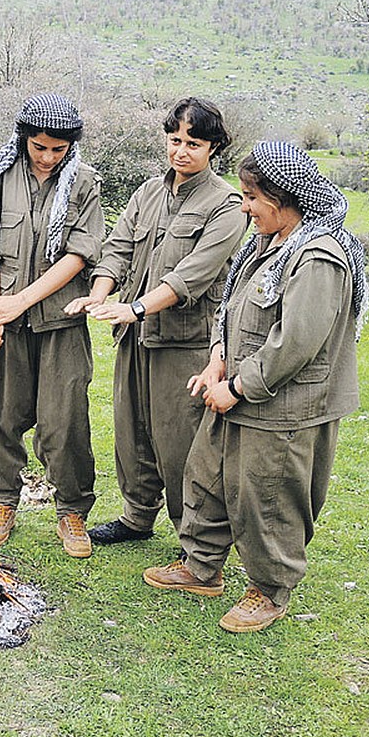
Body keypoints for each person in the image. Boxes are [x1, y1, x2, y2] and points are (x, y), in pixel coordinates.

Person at [143, 142, 367, 632]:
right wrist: (217, 362)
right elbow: (232, 308)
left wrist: (240, 388)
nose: (243, 206)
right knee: (207, 476)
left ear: (284, 198)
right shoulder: (266, 242)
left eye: (251, 197)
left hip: (284, 405)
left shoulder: (318, 256)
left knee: (269, 496)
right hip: (236, 391)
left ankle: (269, 590)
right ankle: (201, 568)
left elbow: (297, 343)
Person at [65, 97, 245, 548]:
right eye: (175, 139)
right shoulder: (147, 192)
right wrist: (100, 294)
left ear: (214, 148)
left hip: (184, 343)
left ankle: (196, 542)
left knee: (181, 444)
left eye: (194, 143)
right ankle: (136, 517)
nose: (181, 151)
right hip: (134, 336)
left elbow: (194, 275)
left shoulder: (226, 204)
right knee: (132, 434)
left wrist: (137, 308)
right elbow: (119, 248)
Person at [0, 94, 104, 558]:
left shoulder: (85, 184)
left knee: (64, 420)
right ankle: (2, 501)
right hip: (3, 316)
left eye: (57, 150)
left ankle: (71, 510)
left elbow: (79, 255)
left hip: (59, 320)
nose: (47, 157)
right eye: (39, 147)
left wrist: (20, 302)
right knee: (0, 417)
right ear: (24, 137)